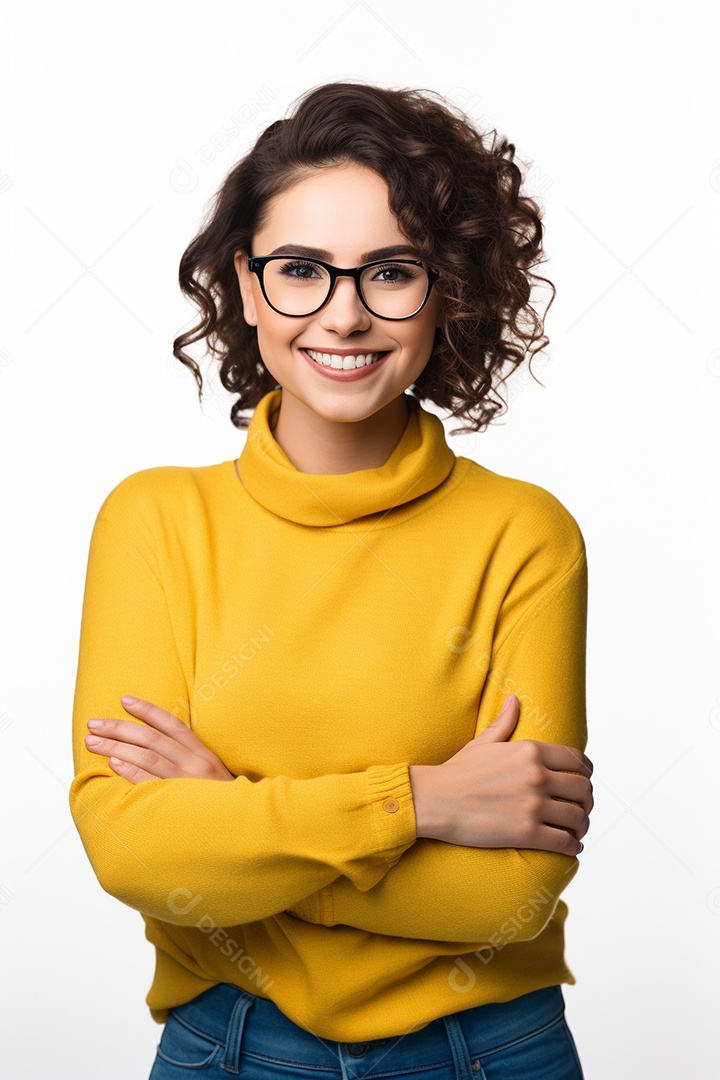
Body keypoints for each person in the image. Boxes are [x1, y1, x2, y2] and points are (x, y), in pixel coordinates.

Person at [69, 81, 594, 1080]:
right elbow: (133, 852)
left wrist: (233, 825)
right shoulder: (155, 522)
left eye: (391, 272)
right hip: (229, 1049)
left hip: (483, 1053)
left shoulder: (524, 535)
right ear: (246, 283)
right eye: (302, 270)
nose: (344, 317)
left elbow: (508, 896)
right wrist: (418, 804)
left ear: (447, 289)